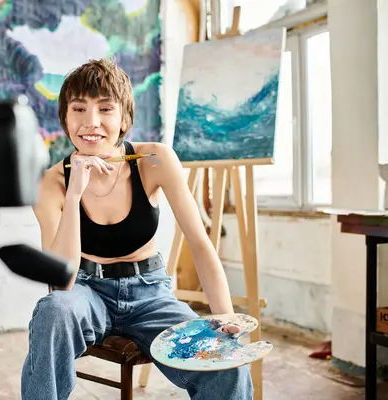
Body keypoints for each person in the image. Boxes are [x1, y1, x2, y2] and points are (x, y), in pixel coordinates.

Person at [21, 58, 253, 400]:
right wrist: (74, 194)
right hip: (86, 291)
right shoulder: (51, 182)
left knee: (226, 362)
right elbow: (63, 282)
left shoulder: (155, 160)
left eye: (105, 109)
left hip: (151, 294)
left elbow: (200, 244)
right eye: (79, 109)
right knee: (53, 311)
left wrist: (223, 317)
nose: (91, 122)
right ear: (65, 118)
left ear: (124, 118)